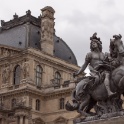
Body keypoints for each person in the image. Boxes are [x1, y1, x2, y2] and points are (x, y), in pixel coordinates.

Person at [73, 33, 115, 97]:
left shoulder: (103, 54)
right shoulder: (90, 54)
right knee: (105, 75)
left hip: (103, 69)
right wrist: (77, 73)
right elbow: (84, 65)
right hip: (95, 71)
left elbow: (108, 63)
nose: (93, 44)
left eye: (94, 43)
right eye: (92, 44)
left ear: (98, 44)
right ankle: (108, 92)